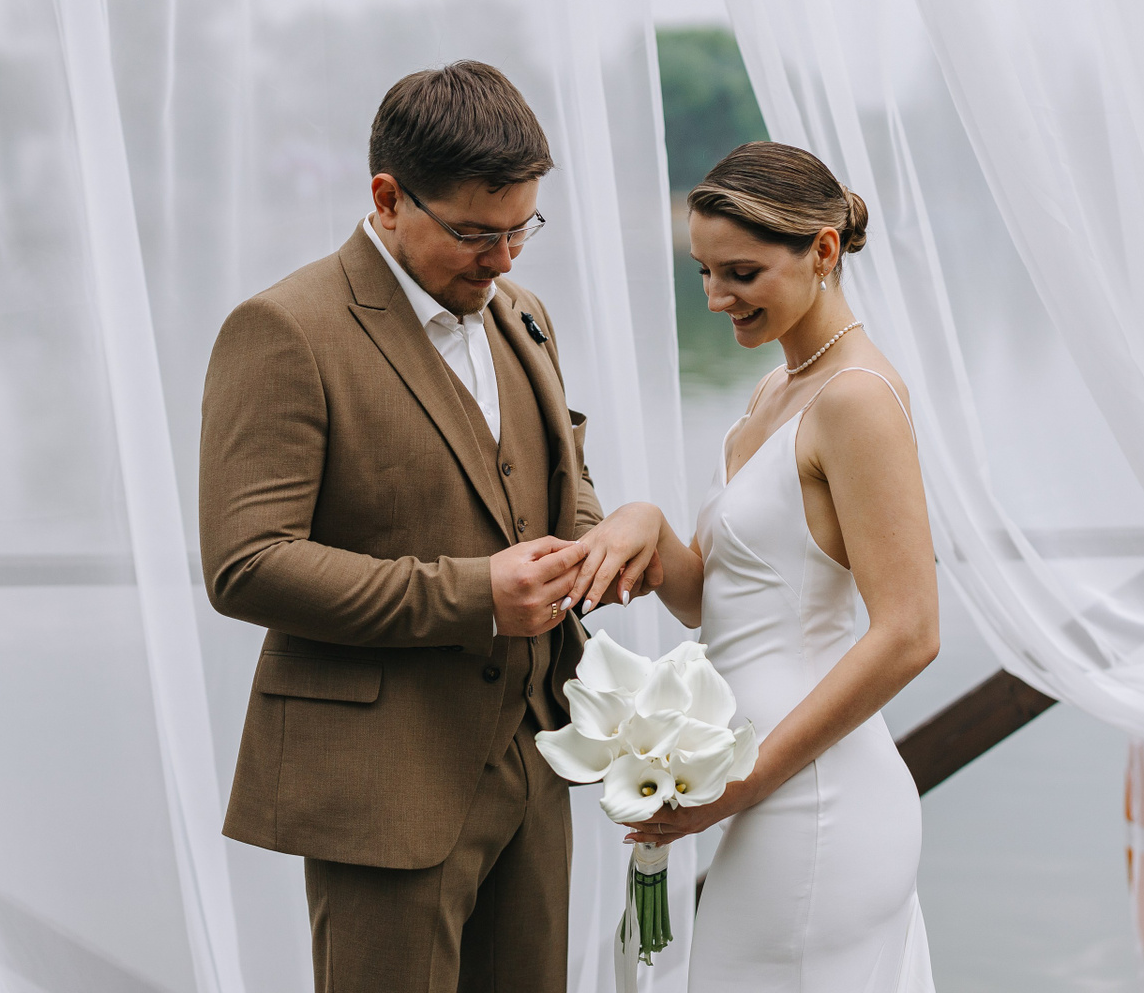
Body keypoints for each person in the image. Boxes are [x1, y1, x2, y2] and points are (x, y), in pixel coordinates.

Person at [198, 61, 639, 993]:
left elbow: (560, 481)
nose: (505, 259)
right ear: (388, 198)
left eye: (522, 229)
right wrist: (477, 595)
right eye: (477, 233)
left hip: (536, 756)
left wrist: (597, 541)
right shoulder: (283, 328)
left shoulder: (524, 315)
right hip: (382, 785)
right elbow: (247, 564)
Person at [570, 141, 940, 991]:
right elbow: (717, 600)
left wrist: (742, 782)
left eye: (740, 273)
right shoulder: (776, 391)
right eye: (703, 272)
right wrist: (645, 523)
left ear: (822, 250)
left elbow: (912, 633)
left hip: (812, 797)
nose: (714, 298)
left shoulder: (856, 399)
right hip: (761, 791)